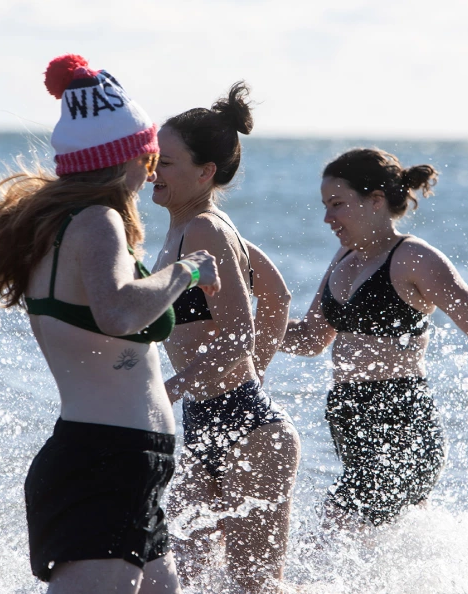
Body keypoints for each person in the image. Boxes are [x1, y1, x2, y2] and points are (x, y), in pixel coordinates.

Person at [0, 54, 221, 594]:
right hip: (110, 460)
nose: (149, 174)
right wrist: (186, 271)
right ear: (124, 160)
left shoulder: (37, 228)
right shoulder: (99, 221)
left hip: (116, 459)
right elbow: (118, 312)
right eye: (148, 159)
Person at [280, 148, 468, 527]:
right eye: (325, 206)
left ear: (375, 200)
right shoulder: (343, 257)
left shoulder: (412, 257)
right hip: (353, 428)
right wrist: (242, 327)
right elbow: (310, 338)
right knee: (371, 544)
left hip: (401, 424)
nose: (327, 218)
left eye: (337, 204)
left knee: (333, 529)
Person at [150, 82, 301, 593]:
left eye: (166, 162)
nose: (153, 169)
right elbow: (277, 295)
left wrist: (170, 390)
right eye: (152, 157)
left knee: (254, 587)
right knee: (177, 578)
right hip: (206, 425)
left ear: (205, 172)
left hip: (250, 430)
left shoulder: (206, 230)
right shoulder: (190, 227)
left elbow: (239, 333)